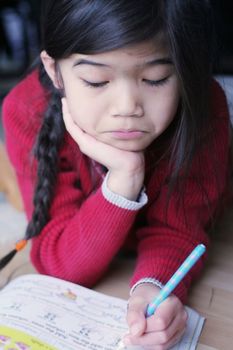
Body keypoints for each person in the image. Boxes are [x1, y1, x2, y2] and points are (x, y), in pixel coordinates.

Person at [1, 1, 231, 348]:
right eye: (96, 81)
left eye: (156, 79)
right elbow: (60, 262)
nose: (127, 107)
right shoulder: (26, 109)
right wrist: (124, 179)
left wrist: (152, 287)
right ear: (54, 70)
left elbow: (178, 229)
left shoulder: (203, 106)